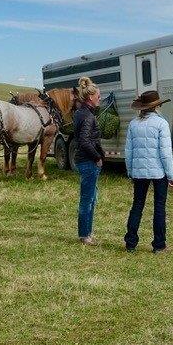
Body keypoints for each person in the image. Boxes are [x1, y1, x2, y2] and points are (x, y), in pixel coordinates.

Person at [123, 90, 173, 253]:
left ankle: (131, 243)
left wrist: (130, 171)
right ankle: (159, 245)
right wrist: (171, 176)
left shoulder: (133, 124)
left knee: (137, 205)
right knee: (159, 207)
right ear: (157, 106)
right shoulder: (161, 124)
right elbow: (165, 153)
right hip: (159, 172)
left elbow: (129, 151)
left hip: (138, 172)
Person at [72, 76, 104, 245]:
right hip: (88, 162)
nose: (100, 98)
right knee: (88, 199)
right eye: (98, 96)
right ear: (91, 97)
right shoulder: (88, 117)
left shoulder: (79, 113)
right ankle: (85, 235)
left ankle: (87, 232)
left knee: (91, 198)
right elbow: (84, 140)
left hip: (83, 161)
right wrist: (97, 157)